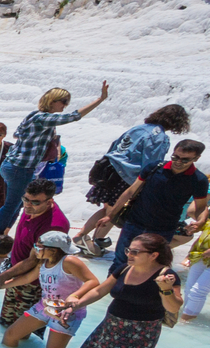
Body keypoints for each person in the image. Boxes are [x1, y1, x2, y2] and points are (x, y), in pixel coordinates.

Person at [0, 83, 110, 236]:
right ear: (52, 101)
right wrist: (100, 99)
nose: (65, 105)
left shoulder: (34, 115)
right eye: (63, 101)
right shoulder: (43, 118)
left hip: (13, 165)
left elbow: (18, 134)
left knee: (18, 203)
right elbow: (73, 117)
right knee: (13, 204)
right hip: (21, 168)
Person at [67, 232, 183, 348]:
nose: (129, 254)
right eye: (129, 250)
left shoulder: (167, 276)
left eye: (135, 252)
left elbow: (174, 308)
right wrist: (75, 305)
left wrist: (166, 290)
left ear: (153, 255)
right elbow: (100, 290)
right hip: (111, 327)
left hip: (138, 332)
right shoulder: (125, 268)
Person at [74, 105, 192, 256]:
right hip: (126, 175)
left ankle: (85, 236)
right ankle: (93, 241)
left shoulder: (139, 128)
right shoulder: (159, 136)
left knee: (108, 209)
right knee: (113, 211)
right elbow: (151, 162)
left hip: (109, 168)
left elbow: (115, 145)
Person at [91, 140, 207, 277]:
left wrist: (200, 221)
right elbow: (130, 191)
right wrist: (110, 215)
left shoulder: (198, 180)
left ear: (196, 158)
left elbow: (201, 207)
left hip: (163, 229)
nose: (178, 162)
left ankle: (138, 296)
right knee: (121, 261)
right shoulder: (155, 168)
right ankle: (113, 294)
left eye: (185, 160)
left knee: (153, 267)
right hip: (135, 222)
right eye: (175, 157)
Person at [0, 231, 99, 348]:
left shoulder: (70, 262)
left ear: (53, 250)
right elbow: (27, 278)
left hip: (67, 312)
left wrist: (75, 296)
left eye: (38, 247)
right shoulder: (43, 262)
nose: (35, 249)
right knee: (10, 336)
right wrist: (1, 285)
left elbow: (93, 281)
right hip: (44, 306)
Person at [0, 180, 71, 326]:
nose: (28, 205)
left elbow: (34, 261)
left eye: (35, 202)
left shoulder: (54, 226)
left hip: (33, 284)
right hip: (15, 274)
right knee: (5, 322)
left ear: (50, 201)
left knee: (19, 331)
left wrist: (3, 276)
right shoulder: (30, 209)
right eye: (26, 199)